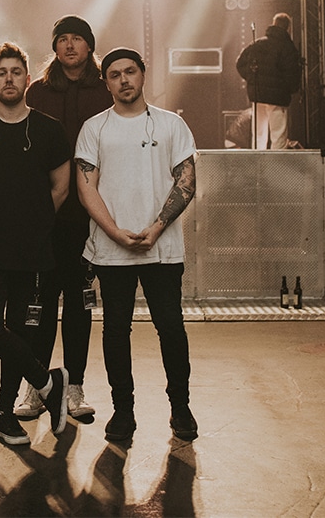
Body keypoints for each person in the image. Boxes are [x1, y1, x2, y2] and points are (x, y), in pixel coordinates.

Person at [74, 47, 199, 443]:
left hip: (162, 249)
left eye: (130, 71)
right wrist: (114, 232)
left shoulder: (171, 124)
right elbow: (86, 187)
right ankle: (123, 411)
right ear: (106, 83)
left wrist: (157, 227)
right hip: (112, 251)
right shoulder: (94, 128)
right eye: (115, 74)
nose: (124, 79)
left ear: (143, 74)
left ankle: (181, 408)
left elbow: (187, 180)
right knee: (115, 331)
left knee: (171, 328)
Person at [0, 41, 73, 445]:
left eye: (16, 72)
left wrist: (32, 221)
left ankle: (5, 413)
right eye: (2, 72)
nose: (9, 79)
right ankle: (48, 382)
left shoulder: (48, 130)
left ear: (27, 79)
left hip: (32, 251)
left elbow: (61, 187)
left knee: (20, 331)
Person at [17, 14, 112, 421]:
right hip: (45, 216)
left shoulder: (105, 90)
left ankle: (74, 387)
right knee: (38, 303)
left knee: (79, 303)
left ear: (89, 46)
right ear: (54, 47)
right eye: (63, 39)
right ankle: (37, 387)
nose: (70, 45)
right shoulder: (37, 92)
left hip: (89, 217)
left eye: (77, 38)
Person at [235, 12, 303, 150]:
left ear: (273, 23)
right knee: (278, 134)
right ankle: (277, 162)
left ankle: (257, 161)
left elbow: (240, 63)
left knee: (258, 134)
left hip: (258, 94)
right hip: (278, 97)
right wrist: (290, 89)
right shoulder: (287, 47)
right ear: (288, 27)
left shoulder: (257, 43)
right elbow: (292, 72)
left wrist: (252, 79)